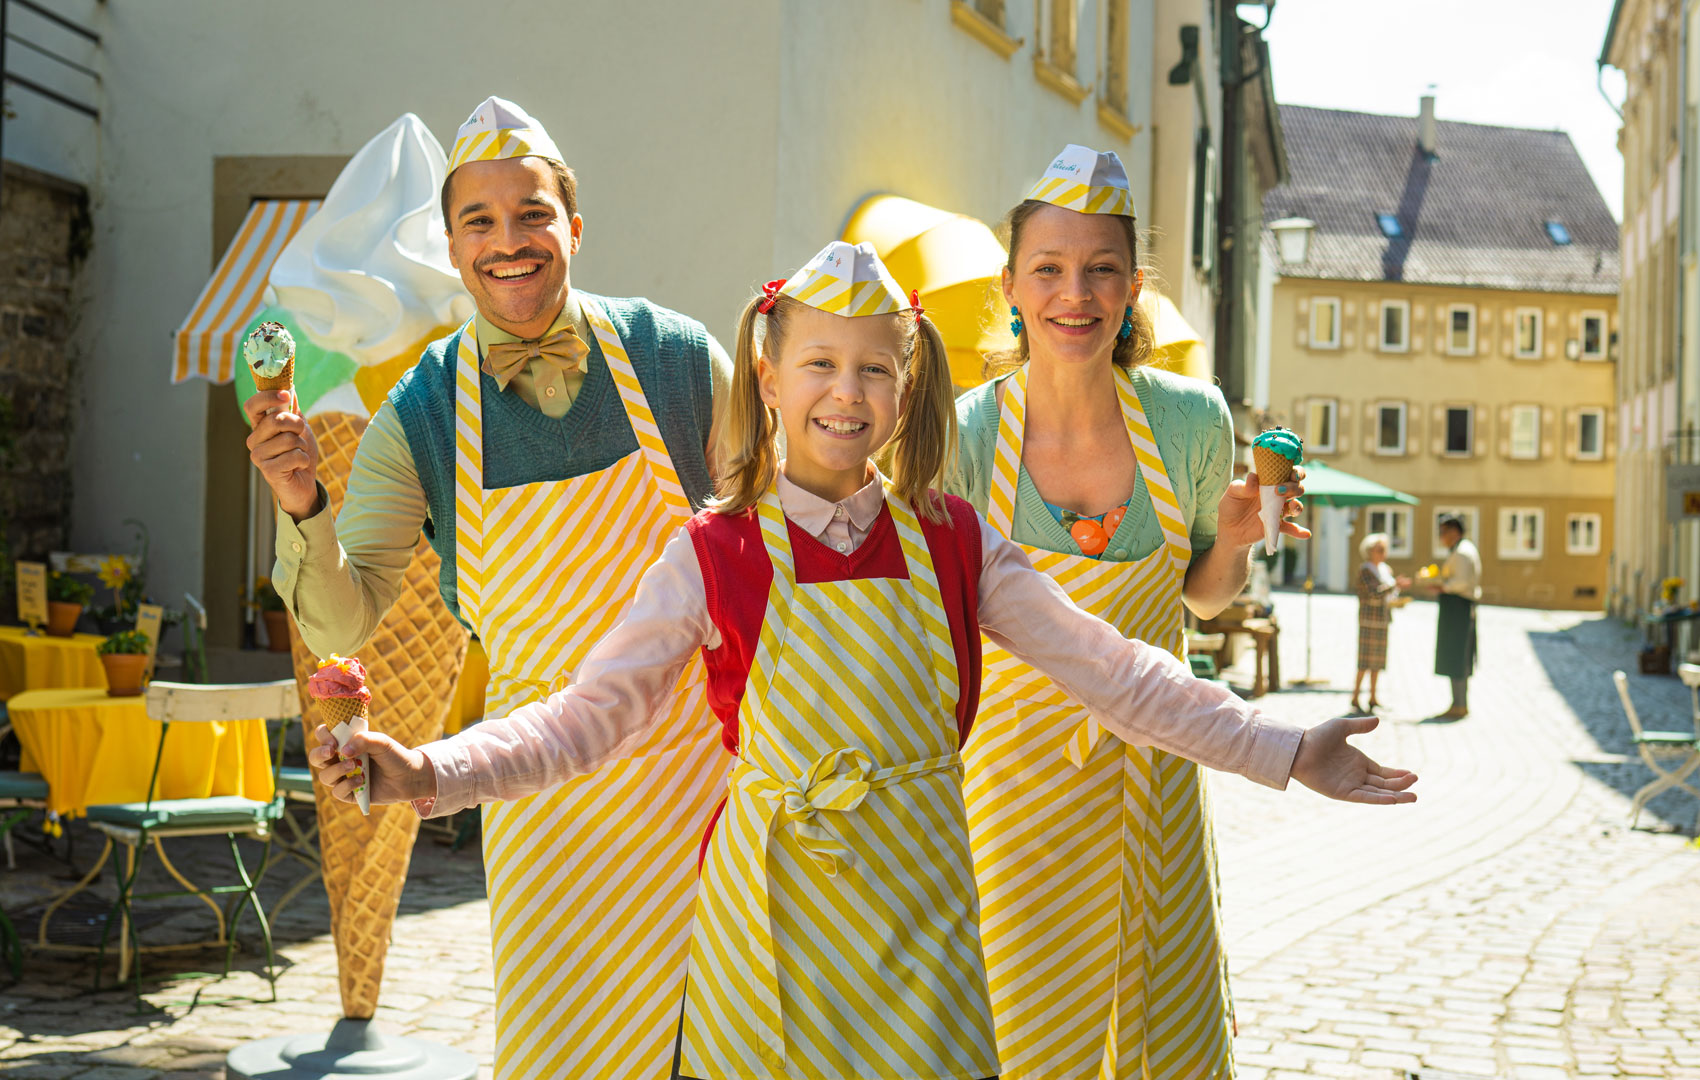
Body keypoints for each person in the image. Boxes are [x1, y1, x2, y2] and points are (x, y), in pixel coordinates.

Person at [309, 241, 1417, 1080]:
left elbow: (1116, 672)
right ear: (772, 374)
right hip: (768, 931)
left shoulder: (952, 537)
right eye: (822, 365)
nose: (848, 393)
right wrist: (433, 773)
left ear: (905, 386)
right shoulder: (712, 553)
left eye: (876, 370)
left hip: (922, 925)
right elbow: (580, 719)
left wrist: (1282, 749)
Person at [243, 97, 732, 1080]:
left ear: (573, 227)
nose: (509, 242)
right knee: (564, 1052)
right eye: (480, 220)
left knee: (710, 1048)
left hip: (700, 780)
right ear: (453, 243)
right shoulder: (424, 403)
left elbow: (766, 550)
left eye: (532, 213)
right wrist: (300, 500)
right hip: (539, 795)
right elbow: (345, 612)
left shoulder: (675, 359)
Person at [951, 144, 1310, 1079]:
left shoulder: (1192, 420)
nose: (1077, 294)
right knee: (1017, 1038)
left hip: (1151, 778)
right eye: (1051, 269)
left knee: (1161, 1034)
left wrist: (1231, 540)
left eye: (1102, 268)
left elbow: (1199, 598)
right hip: (1002, 801)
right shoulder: (963, 432)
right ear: (1013, 286)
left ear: (1134, 284)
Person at [1353, 532, 1410, 714]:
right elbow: (1373, 593)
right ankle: (1355, 696)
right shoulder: (1365, 570)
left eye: (1384, 549)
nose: (1383, 553)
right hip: (1369, 621)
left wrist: (1396, 593)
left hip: (1382, 620)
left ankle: (1372, 697)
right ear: (1370, 551)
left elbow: (1387, 595)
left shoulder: (1385, 569)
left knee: (1377, 662)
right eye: (1380, 549)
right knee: (1364, 661)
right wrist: (1394, 586)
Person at [1432, 514, 1481, 718]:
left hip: (1458, 606)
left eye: (1443, 532)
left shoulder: (1461, 552)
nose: (1441, 536)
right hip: (1459, 606)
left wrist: (1442, 585)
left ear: (1454, 532)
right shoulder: (1462, 549)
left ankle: (1459, 704)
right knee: (1459, 654)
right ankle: (1459, 702)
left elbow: (1460, 583)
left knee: (1457, 654)